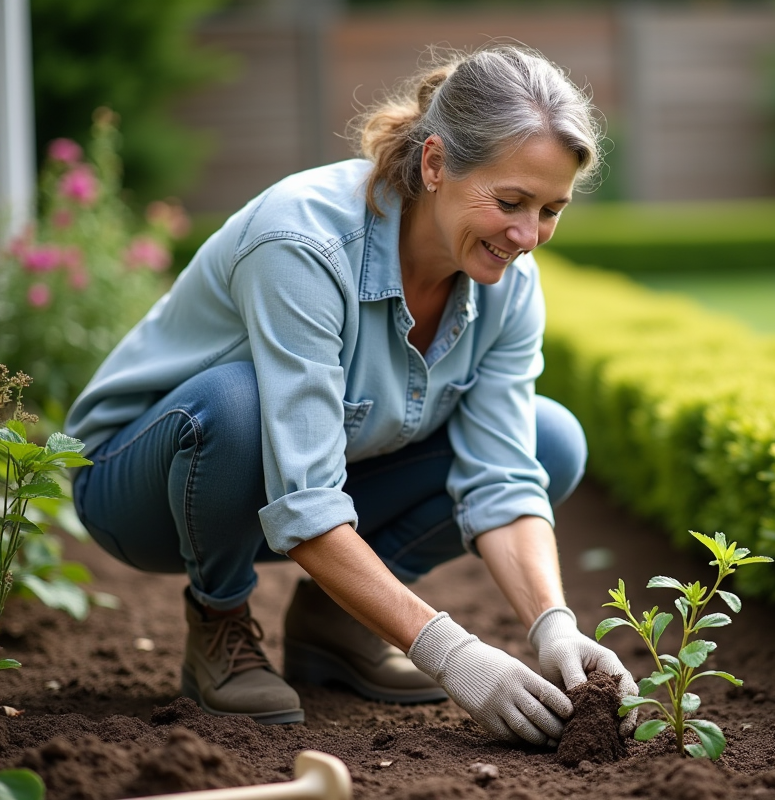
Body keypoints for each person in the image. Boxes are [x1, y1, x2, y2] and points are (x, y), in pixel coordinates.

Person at [64, 43, 637, 747]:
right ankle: (219, 624)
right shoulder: (304, 243)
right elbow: (304, 499)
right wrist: (451, 652)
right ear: (434, 165)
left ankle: (336, 625)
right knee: (237, 404)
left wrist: (553, 625)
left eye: (551, 209)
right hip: (143, 486)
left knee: (551, 442)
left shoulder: (508, 285)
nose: (527, 237)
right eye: (511, 201)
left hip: (305, 473)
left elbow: (506, 475)